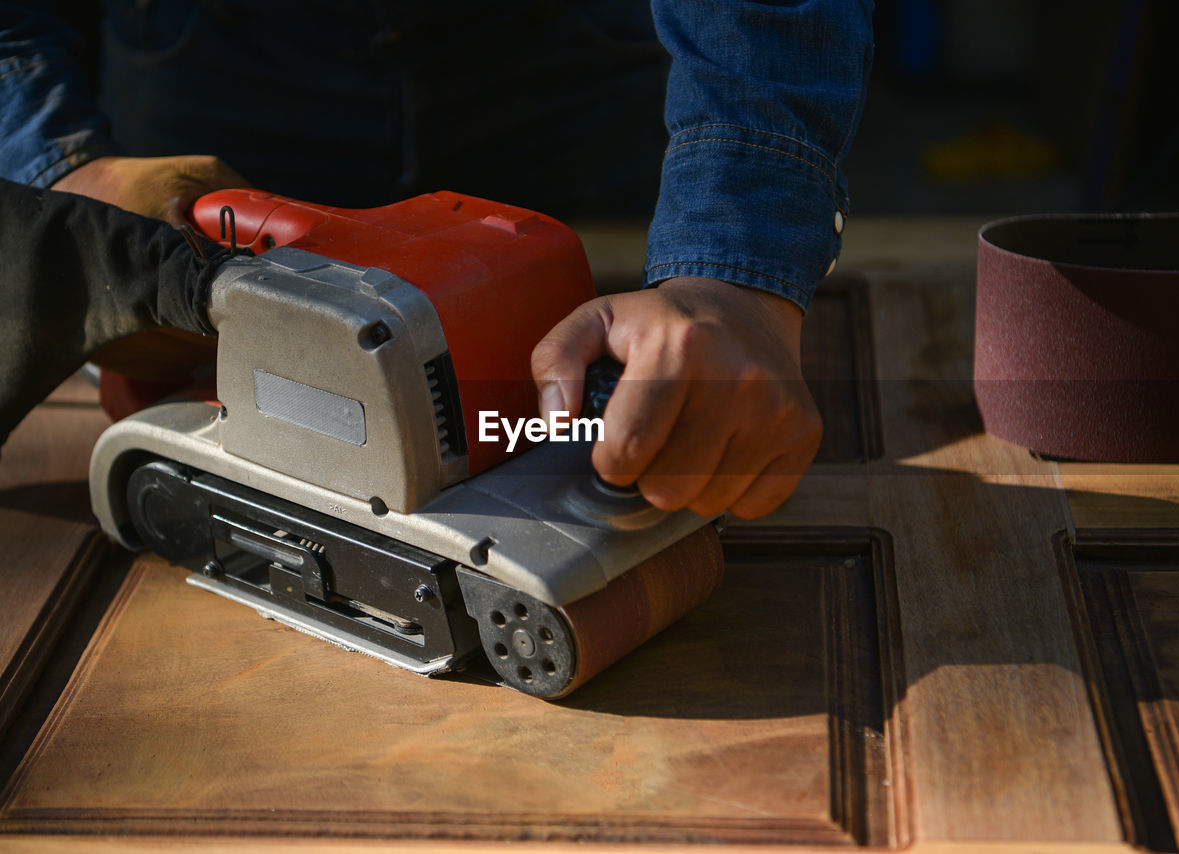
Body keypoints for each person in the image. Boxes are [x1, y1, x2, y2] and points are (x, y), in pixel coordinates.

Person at [0, 0, 874, 519]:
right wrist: (60, 171)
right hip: (210, 49)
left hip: (571, 58)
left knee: (618, 406)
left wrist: (731, 265)